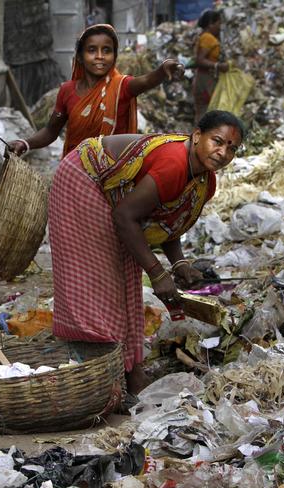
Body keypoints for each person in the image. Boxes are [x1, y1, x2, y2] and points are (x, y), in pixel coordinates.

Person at [48, 110, 245, 396]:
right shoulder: (174, 163)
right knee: (103, 280)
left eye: (231, 148)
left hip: (118, 200)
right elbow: (124, 217)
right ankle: (100, 378)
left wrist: (179, 264)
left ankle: (130, 373)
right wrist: (157, 272)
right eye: (217, 141)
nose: (222, 152)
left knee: (127, 277)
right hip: (84, 178)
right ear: (197, 135)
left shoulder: (205, 181)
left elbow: (166, 219)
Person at [8, 24, 183, 158]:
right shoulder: (67, 90)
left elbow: (145, 81)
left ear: (114, 56)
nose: (100, 56)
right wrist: (25, 143)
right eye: (92, 50)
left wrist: (162, 70)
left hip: (111, 175)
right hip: (75, 172)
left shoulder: (122, 86)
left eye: (107, 50)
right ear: (80, 57)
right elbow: (51, 131)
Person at [193, 9, 228, 121]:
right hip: (205, 79)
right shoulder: (208, 38)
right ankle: (199, 136)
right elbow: (200, 60)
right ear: (210, 24)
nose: (220, 27)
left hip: (203, 77)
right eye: (218, 23)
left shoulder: (204, 36)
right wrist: (218, 66)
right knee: (205, 111)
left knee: (204, 110)